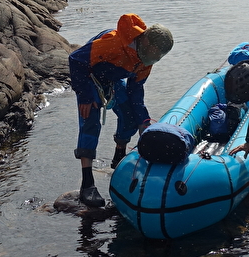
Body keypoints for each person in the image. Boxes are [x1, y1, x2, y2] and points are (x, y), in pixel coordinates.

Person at [69, 14, 174, 207]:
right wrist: (84, 96)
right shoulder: (113, 43)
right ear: (146, 42)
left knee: (130, 117)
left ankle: (119, 155)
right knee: (90, 120)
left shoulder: (146, 61)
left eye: (159, 57)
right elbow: (76, 60)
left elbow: (136, 90)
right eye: (154, 53)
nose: (155, 59)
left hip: (112, 80)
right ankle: (87, 183)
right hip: (89, 78)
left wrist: (144, 121)